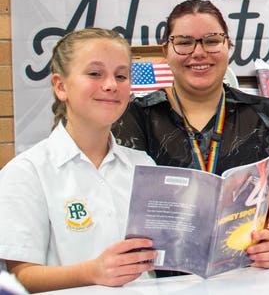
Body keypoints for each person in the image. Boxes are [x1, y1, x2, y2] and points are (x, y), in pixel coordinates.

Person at [111, 0, 269, 249]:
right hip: (162, 277)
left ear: (228, 46)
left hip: (251, 271)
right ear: (165, 51)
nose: (199, 52)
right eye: (184, 43)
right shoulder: (134, 119)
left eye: (211, 41)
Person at [0, 28, 158, 292]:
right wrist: (92, 272)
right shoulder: (27, 172)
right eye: (95, 74)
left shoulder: (143, 166)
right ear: (61, 86)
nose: (110, 85)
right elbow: (20, 278)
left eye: (121, 76)